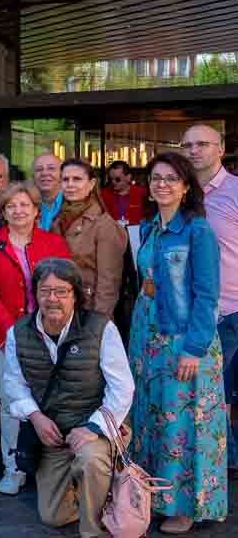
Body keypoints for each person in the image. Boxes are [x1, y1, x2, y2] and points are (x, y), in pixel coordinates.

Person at [127, 152, 227, 533]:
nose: (162, 184)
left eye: (171, 178)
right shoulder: (151, 227)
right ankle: (156, 497)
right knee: (152, 418)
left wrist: (194, 348)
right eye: (156, 178)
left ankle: (187, 506)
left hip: (183, 340)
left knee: (185, 424)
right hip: (147, 336)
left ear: (186, 187)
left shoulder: (198, 231)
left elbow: (207, 295)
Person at [3, 258, 134, 538]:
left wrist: (93, 428)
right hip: (53, 434)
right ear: (35, 293)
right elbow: (13, 383)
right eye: (45, 290)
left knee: (90, 460)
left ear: (76, 294)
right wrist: (36, 418)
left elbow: (122, 388)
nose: (52, 299)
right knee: (53, 516)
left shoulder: (101, 328)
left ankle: (95, 530)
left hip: (95, 430)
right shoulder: (18, 332)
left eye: (61, 291)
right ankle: (92, 493)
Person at [0, 183, 72, 494]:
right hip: (5, 336)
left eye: (24, 205)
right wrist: (14, 330)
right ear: (3, 212)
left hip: (50, 334)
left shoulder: (54, 242)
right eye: (11, 206)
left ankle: (52, 469)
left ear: (36, 210)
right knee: (11, 402)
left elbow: (65, 288)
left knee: (53, 401)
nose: (18, 210)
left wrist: (47, 326)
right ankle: (12, 467)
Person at [182, 124, 238, 477]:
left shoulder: (235, 191)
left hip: (231, 309)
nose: (193, 150)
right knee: (207, 395)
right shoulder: (179, 194)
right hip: (191, 312)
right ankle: (220, 464)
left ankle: (224, 464)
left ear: (220, 149)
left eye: (202, 144)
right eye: (187, 145)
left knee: (220, 393)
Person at [51, 158, 127, 317]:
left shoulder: (104, 225)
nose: (70, 184)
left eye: (77, 179)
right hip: (59, 310)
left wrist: (98, 324)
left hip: (89, 311)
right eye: (65, 179)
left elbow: (108, 284)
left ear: (92, 184)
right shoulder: (57, 221)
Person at [100, 160, 147, 226]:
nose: (113, 182)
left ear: (128, 177)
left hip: (136, 233)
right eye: (111, 179)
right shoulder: (104, 195)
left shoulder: (142, 193)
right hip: (112, 233)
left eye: (117, 179)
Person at [32, 153, 63, 231]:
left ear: (62, 174)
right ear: (33, 176)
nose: (44, 173)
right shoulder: (27, 205)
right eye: (39, 169)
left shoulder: (73, 203)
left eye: (51, 168)